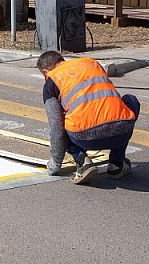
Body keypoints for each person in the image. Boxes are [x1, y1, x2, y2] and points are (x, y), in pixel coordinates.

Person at [36, 50, 140, 184]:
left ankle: (82, 161)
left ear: (45, 72)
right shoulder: (91, 63)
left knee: (62, 121)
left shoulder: (52, 82)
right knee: (130, 100)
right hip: (121, 131)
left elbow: (56, 128)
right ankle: (116, 164)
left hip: (85, 137)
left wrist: (54, 165)